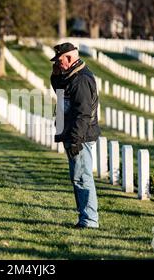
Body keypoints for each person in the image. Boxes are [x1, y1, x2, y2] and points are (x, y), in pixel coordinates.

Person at [50, 43, 101, 229]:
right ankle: (85, 218)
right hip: (72, 134)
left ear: (70, 58)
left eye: (59, 60)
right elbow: (61, 91)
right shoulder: (72, 76)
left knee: (82, 177)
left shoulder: (81, 80)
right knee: (77, 176)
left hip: (80, 136)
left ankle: (89, 220)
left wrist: (76, 140)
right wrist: (55, 74)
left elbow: (83, 114)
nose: (58, 63)